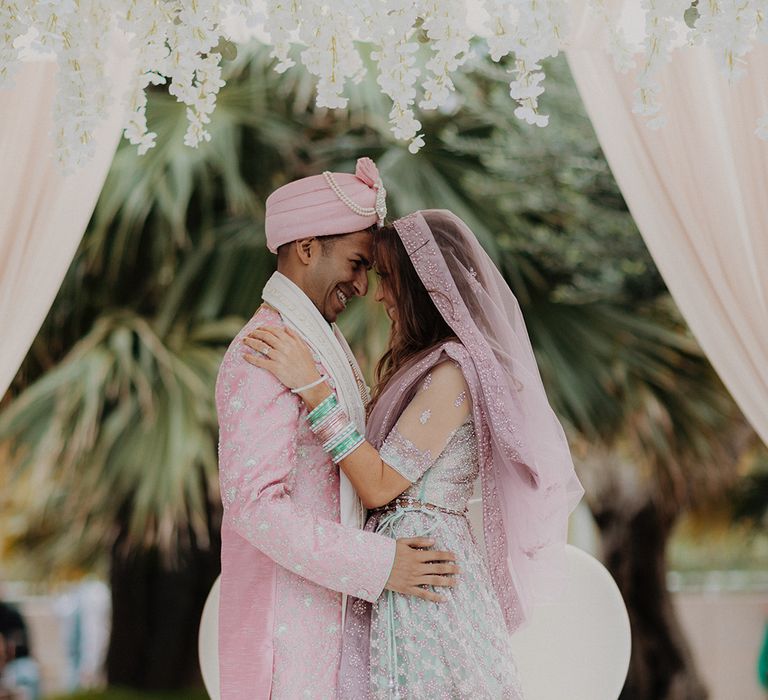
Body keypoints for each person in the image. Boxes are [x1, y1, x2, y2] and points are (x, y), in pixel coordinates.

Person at [244, 209, 584, 698]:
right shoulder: (426, 365)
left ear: (422, 287)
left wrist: (315, 390)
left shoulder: (453, 374)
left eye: (387, 279)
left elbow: (381, 483)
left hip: (423, 571)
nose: (377, 293)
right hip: (401, 562)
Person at [216, 164, 459, 699]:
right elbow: (253, 507)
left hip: (334, 620)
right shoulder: (265, 350)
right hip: (288, 635)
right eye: (356, 263)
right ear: (306, 248)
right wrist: (381, 563)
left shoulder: (317, 344)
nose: (363, 284)